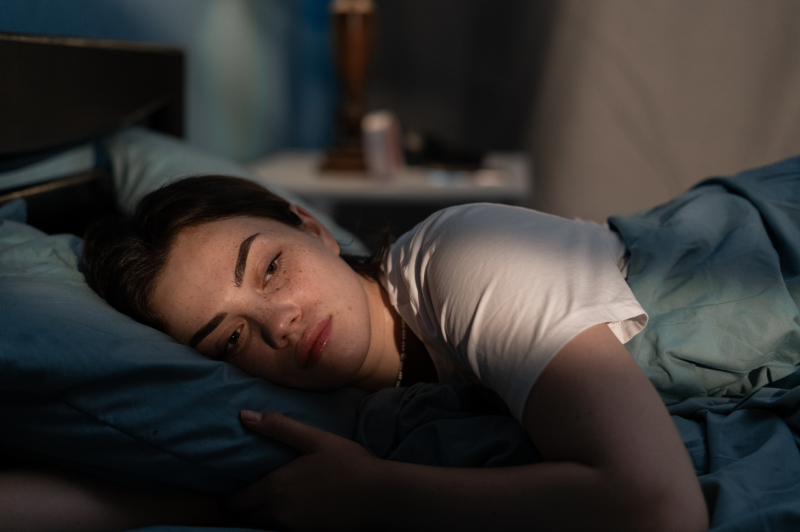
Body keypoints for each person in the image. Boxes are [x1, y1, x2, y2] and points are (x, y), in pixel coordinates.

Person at [80, 175, 708, 532]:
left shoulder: (461, 258)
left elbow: (660, 508)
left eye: (271, 268)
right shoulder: (369, 413)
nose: (279, 323)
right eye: (233, 338)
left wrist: (382, 494)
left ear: (313, 228)